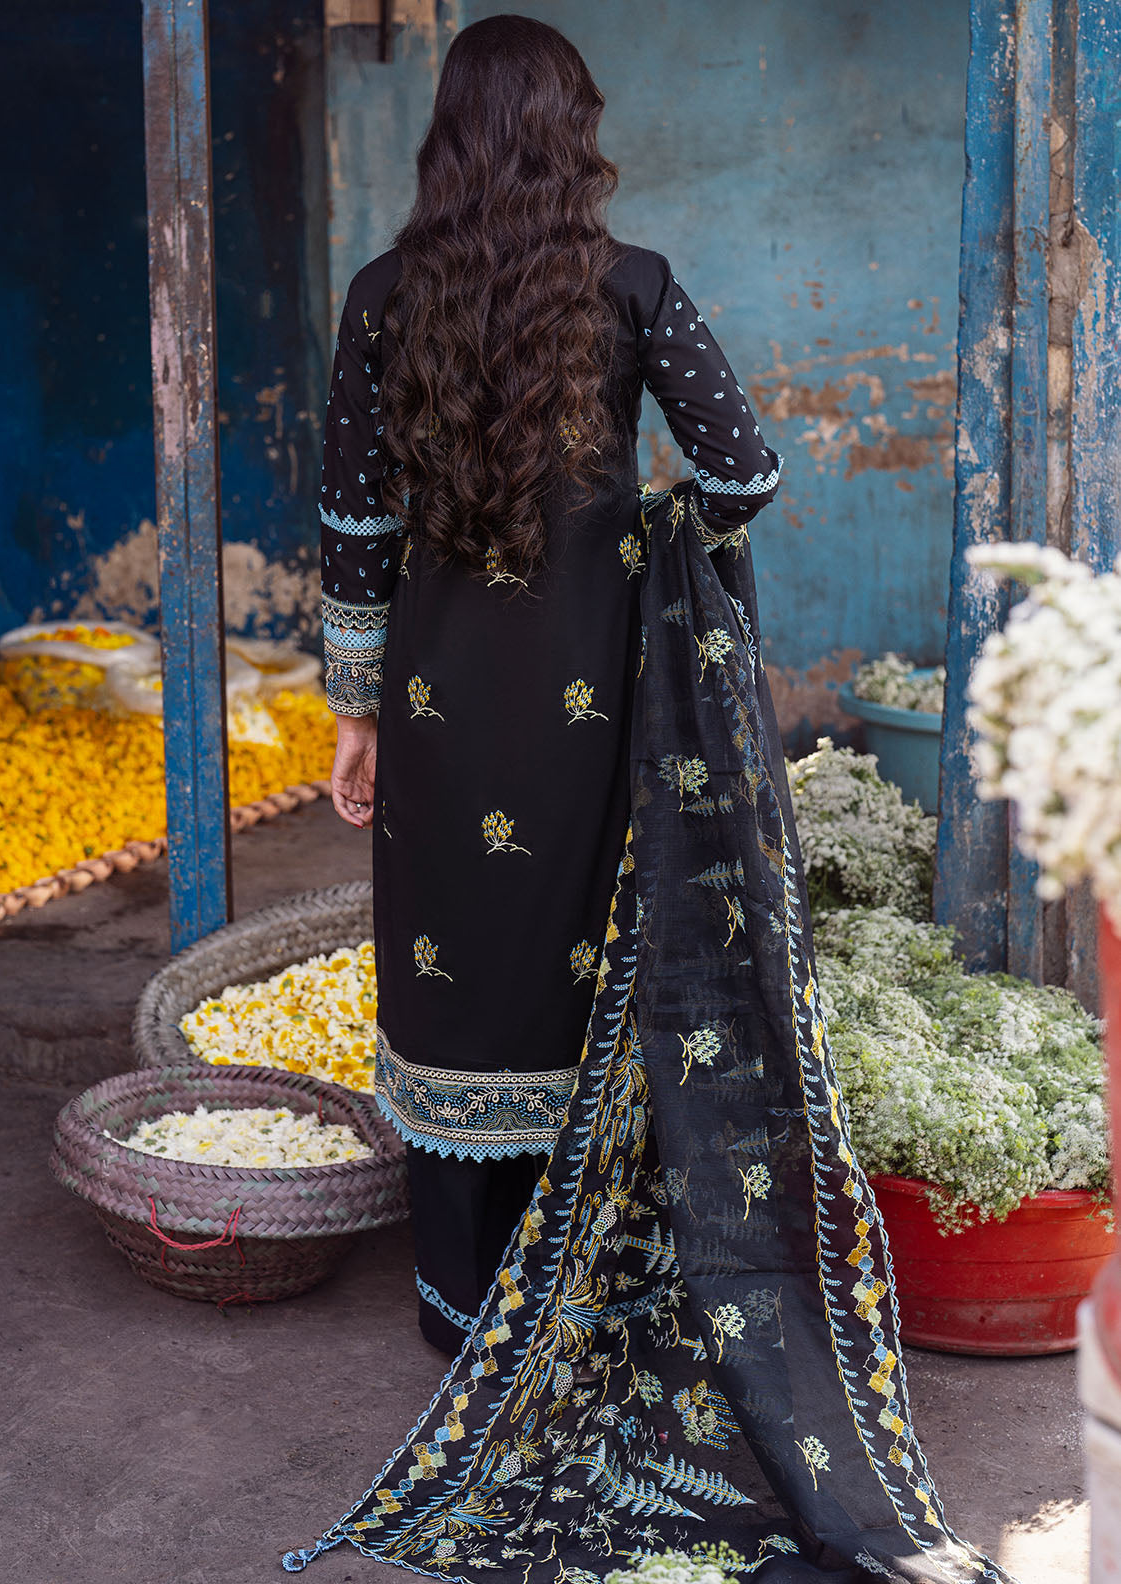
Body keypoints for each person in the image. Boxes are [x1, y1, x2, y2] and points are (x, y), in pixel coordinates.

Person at [288, 15, 1010, 1583]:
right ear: (571, 134)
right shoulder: (632, 288)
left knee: (446, 956)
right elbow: (743, 473)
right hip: (589, 691)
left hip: (429, 697)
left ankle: (458, 1302)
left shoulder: (378, 299)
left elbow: (351, 519)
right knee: (580, 955)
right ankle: (582, 1296)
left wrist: (351, 714)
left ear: (447, 138)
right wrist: (637, 526)